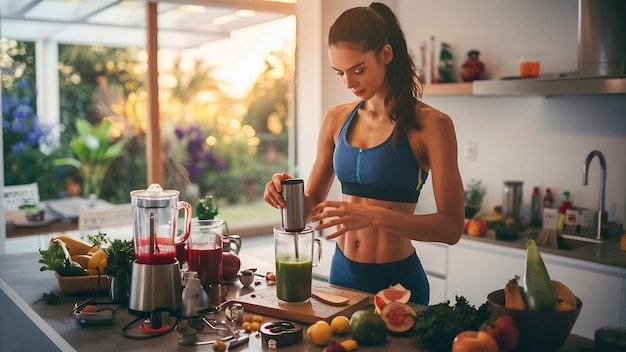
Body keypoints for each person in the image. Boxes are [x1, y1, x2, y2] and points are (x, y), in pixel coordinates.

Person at [263, 2, 464, 305]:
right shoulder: (335, 119)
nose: (348, 82)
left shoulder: (433, 126)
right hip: (341, 275)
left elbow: (451, 228)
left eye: (358, 70)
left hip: (400, 283)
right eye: (340, 72)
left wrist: (373, 215)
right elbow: (309, 206)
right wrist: (282, 194)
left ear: (386, 54)